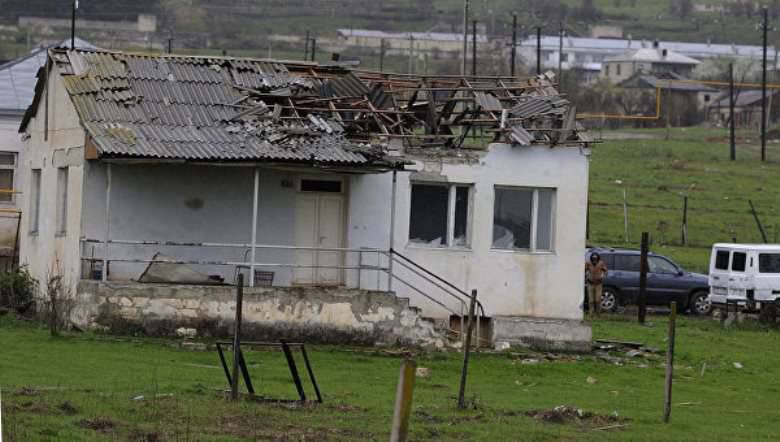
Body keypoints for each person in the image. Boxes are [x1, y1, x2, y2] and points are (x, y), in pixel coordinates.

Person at [585, 253, 608, 318]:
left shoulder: (601, 263)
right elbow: (585, 270)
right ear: (591, 258)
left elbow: (606, 271)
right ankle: (591, 315)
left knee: (597, 300)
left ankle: (598, 315)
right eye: (593, 258)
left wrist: (603, 275)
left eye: (596, 258)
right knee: (591, 301)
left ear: (598, 258)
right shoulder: (588, 263)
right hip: (590, 284)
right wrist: (586, 274)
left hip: (598, 284)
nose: (594, 260)